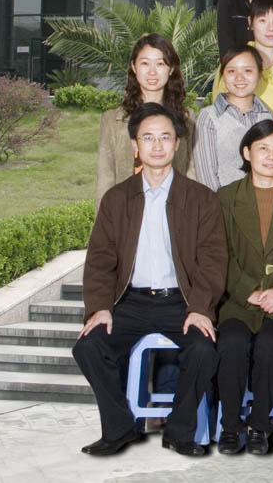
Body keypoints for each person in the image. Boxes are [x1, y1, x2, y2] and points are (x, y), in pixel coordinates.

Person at [73, 103, 226, 457]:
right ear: (134, 146)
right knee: (88, 346)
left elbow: (213, 261)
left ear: (177, 144)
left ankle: (180, 431)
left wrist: (200, 308)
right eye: (148, 138)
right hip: (130, 302)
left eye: (165, 137)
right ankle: (120, 428)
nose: (157, 145)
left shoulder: (201, 199)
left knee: (203, 349)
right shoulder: (117, 199)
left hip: (181, 302)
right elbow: (100, 261)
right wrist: (100, 307)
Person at [214, 120, 273, 456]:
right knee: (232, 344)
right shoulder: (225, 198)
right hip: (239, 301)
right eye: (263, 148)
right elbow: (217, 254)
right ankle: (230, 426)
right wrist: (247, 291)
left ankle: (259, 425)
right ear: (247, 152)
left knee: (270, 346)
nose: (271, 156)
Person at [96, 33, 195, 204]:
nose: (152, 72)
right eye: (145, 63)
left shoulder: (187, 118)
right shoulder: (112, 120)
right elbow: (105, 179)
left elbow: (191, 172)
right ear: (134, 67)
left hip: (174, 210)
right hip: (127, 212)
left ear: (171, 69)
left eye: (160, 63)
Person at [193, 45, 273, 191]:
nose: (239, 77)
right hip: (222, 204)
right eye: (231, 71)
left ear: (260, 75)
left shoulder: (270, 118)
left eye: (248, 70)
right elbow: (206, 179)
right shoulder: (209, 118)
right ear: (222, 76)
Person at [212, 0, 273, 114]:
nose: (271, 28)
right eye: (263, 20)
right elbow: (219, 114)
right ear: (250, 23)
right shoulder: (232, 64)